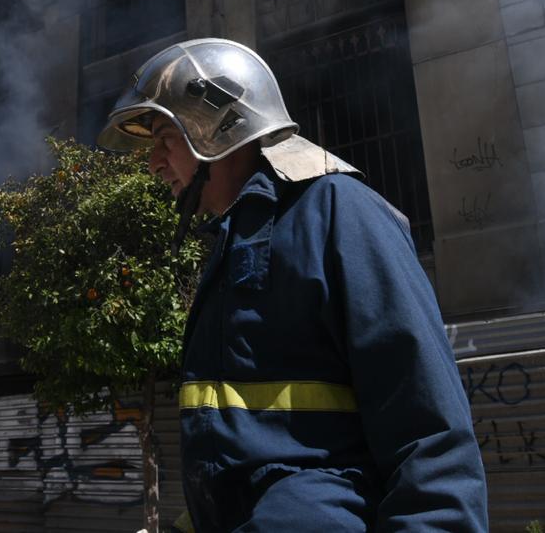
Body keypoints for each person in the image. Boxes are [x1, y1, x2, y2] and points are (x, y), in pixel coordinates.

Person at [99, 38, 488, 532]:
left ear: (217, 125)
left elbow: (431, 436)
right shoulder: (233, 242)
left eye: (164, 139)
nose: (153, 163)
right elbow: (251, 461)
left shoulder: (340, 213)